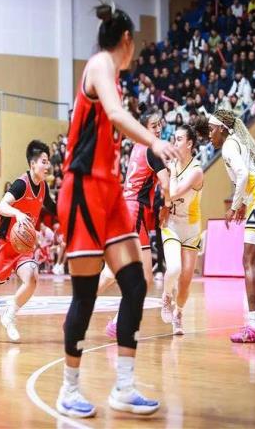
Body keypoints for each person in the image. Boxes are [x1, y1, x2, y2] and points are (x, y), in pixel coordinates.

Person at [55, 3, 179, 418]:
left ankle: (124, 387)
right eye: (135, 44)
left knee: (136, 284)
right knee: (86, 294)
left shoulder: (113, 74)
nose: (134, 51)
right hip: (83, 189)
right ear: (126, 40)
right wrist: (154, 141)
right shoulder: (100, 65)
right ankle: (69, 389)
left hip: (108, 193)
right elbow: (114, 113)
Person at [0, 140, 57, 343]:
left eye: (48, 161)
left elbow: (54, 209)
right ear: (32, 164)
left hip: (23, 247)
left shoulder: (43, 187)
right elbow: (1, 206)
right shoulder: (21, 184)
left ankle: (10, 314)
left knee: (32, 279)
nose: (47, 166)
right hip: (5, 246)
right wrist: (18, 213)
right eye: (44, 161)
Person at [208, 110, 255, 343]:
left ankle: (253, 324)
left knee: (248, 261)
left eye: (211, 129)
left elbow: (242, 175)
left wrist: (234, 206)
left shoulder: (229, 145)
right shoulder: (238, 141)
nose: (209, 134)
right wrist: (243, 203)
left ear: (222, 129)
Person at [98, 110, 171, 339]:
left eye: (159, 125)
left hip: (127, 211)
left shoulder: (137, 147)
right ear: (144, 128)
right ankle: (115, 321)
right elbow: (166, 184)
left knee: (114, 272)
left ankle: (83, 307)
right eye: (153, 126)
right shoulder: (152, 148)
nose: (158, 129)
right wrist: (167, 206)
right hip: (134, 213)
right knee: (142, 277)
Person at [160, 122, 206, 335]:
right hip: (172, 225)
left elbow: (175, 192)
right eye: (174, 139)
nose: (175, 142)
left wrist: (172, 171)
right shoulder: (171, 165)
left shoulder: (196, 171)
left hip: (191, 229)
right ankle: (166, 296)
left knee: (186, 280)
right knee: (174, 269)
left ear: (189, 144)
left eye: (179, 139)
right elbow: (166, 195)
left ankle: (178, 313)